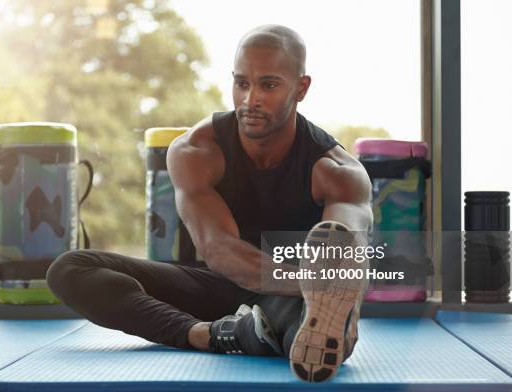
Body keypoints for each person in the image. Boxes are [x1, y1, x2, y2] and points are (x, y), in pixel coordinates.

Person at [46, 24, 373, 383]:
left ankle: (312, 331)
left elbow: (345, 249)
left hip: (285, 301)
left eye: (269, 85)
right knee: (70, 269)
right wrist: (313, 284)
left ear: (301, 87)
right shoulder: (197, 151)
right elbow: (219, 250)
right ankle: (209, 334)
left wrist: (329, 287)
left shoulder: (337, 173)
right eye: (242, 83)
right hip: (216, 287)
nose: (251, 100)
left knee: (305, 334)